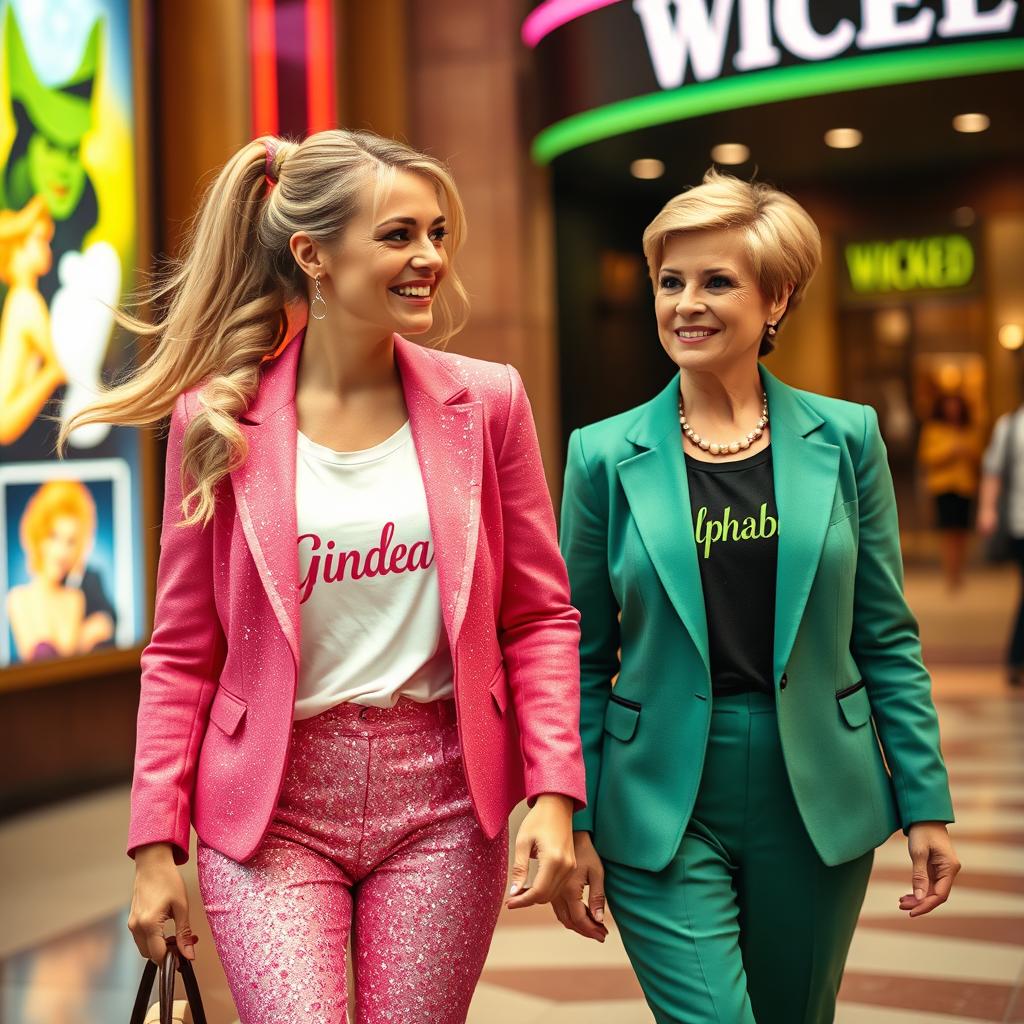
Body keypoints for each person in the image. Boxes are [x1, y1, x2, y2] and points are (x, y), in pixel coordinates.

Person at [60, 129, 585, 1024]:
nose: (430, 258)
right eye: (398, 236)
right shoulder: (216, 420)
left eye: (437, 232)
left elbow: (538, 616)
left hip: (446, 804)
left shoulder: (487, 403)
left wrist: (555, 794)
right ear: (313, 255)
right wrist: (155, 843)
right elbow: (183, 653)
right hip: (270, 809)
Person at [553, 170, 960, 1024]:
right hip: (659, 792)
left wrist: (924, 801)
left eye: (716, 281)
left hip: (815, 786)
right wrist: (574, 815)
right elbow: (579, 654)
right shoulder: (601, 456)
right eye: (671, 282)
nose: (685, 304)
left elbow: (884, 634)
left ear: (776, 297)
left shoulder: (846, 439)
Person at [7, 478, 113, 661]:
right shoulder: (18, 599)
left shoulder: (75, 598)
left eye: (70, 541)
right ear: (38, 536)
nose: (62, 552)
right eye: (54, 536)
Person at [0, 195, 62, 445]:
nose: (47, 250)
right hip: (5, 418)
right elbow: (60, 361)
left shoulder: (18, 299)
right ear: (17, 249)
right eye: (39, 240)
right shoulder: (26, 301)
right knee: (57, 369)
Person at [917, 392, 983, 591]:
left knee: (962, 531)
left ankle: (959, 571)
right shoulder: (933, 430)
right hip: (943, 486)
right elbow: (926, 457)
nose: (952, 410)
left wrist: (968, 452)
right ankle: (949, 572)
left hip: (965, 486)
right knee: (947, 531)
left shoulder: (970, 429)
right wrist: (950, 451)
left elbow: (980, 455)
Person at [979, 404, 1024, 686]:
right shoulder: (1010, 426)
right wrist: (987, 509)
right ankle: (1015, 658)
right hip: (1020, 524)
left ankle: (1015, 658)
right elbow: (993, 471)